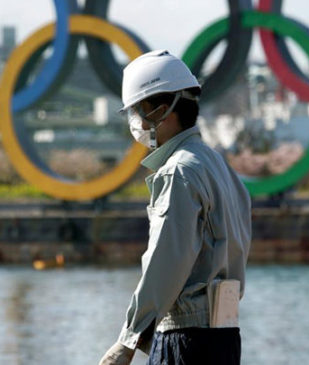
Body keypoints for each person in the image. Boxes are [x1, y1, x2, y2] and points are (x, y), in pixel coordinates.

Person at [99, 50, 251, 365]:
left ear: (161, 109)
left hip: (187, 338)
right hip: (225, 334)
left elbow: (166, 260)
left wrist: (127, 340)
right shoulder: (216, 164)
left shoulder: (178, 171)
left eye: (137, 111)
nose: (136, 122)